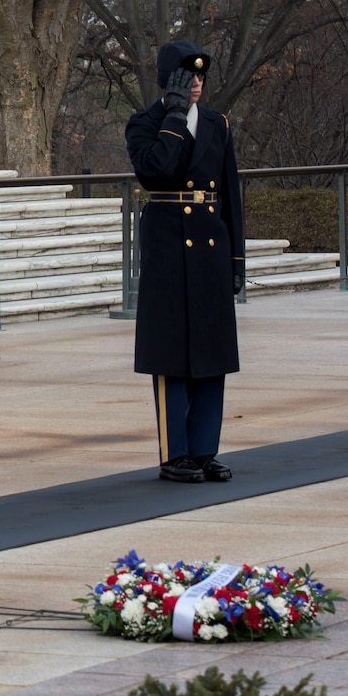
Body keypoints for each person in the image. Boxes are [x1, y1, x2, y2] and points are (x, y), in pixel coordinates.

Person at [124, 41, 245, 484]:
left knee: (212, 354)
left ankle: (204, 450)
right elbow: (154, 170)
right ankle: (176, 454)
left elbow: (230, 193)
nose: (196, 84)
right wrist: (174, 118)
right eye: (186, 77)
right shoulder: (145, 124)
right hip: (169, 248)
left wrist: (237, 259)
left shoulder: (217, 124)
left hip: (211, 248)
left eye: (199, 77)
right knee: (171, 356)